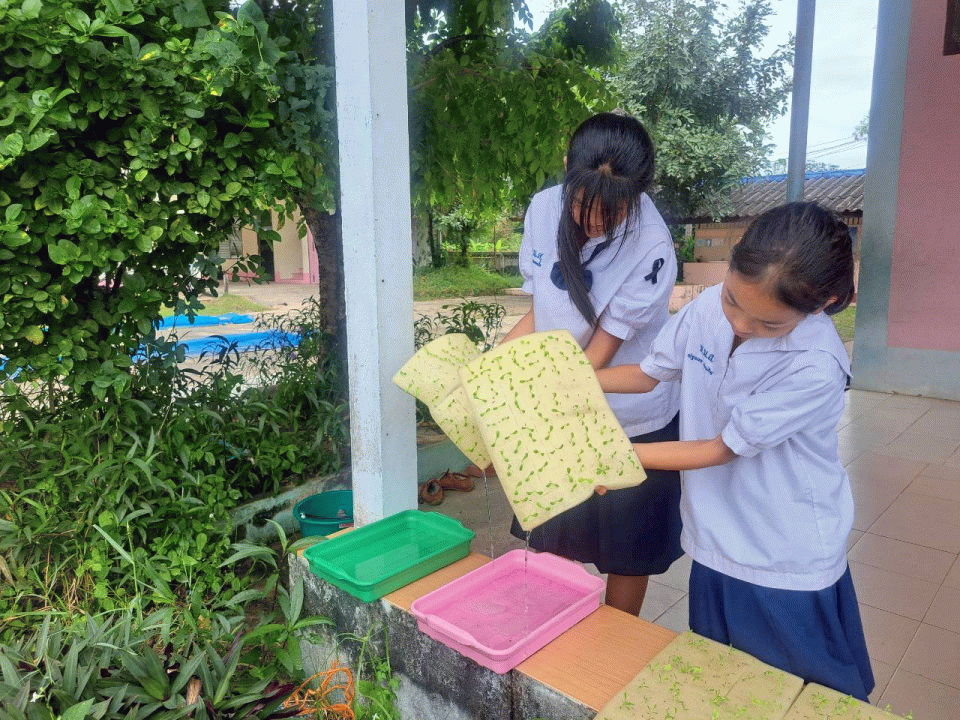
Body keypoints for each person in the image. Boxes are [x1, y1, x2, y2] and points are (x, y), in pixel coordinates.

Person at [596, 201, 874, 700]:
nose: (741, 324)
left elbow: (723, 447)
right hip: (714, 534)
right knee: (724, 682)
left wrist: (616, 458)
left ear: (821, 304)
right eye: (733, 301)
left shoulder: (815, 363)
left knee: (805, 695)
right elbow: (649, 373)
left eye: (770, 324)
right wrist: (573, 378)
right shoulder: (708, 307)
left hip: (780, 550)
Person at [482, 111, 683, 616]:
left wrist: (527, 400)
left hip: (629, 412)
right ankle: (553, 634)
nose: (593, 221)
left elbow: (597, 356)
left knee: (628, 549)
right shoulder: (542, 209)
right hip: (561, 390)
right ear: (568, 169)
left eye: (611, 213)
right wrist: (487, 371)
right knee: (553, 537)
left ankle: (615, 639)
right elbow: (541, 311)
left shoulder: (652, 245)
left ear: (637, 195)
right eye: (580, 203)